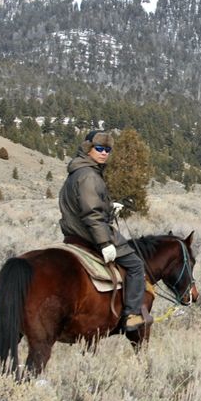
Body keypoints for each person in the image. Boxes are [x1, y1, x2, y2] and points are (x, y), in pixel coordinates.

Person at [59, 129, 151, 330]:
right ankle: (131, 316)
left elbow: (85, 206)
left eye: (108, 150)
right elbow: (91, 214)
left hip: (73, 233)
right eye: (99, 148)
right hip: (89, 235)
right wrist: (105, 243)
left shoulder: (78, 173)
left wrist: (109, 208)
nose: (104, 153)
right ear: (88, 148)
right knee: (135, 265)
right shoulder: (89, 176)